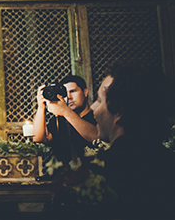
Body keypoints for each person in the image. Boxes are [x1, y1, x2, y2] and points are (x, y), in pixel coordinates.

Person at [92, 61, 175, 219]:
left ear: (119, 113)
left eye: (99, 100)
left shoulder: (97, 174)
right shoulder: (169, 164)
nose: (93, 108)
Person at [33, 75, 98, 163]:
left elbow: (97, 138)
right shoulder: (60, 119)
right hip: (65, 173)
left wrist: (66, 111)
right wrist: (41, 107)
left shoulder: (97, 115)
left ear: (85, 92)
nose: (69, 97)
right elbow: (38, 138)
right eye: (66, 94)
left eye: (73, 91)